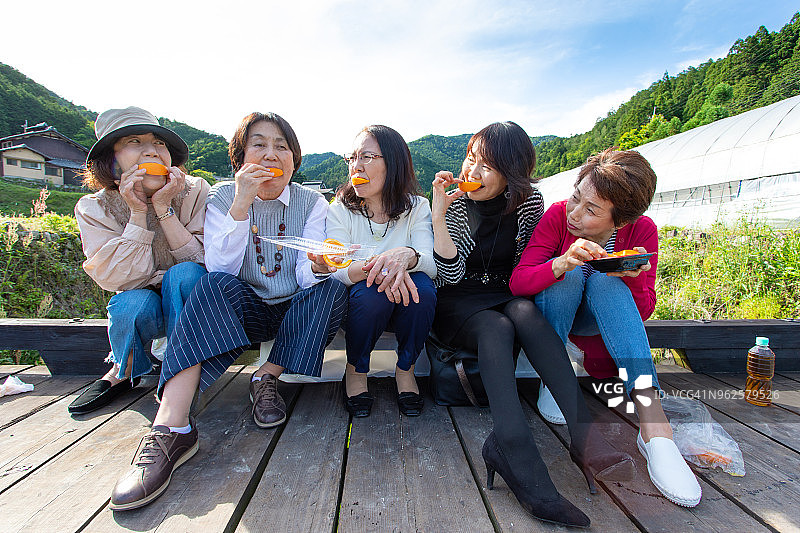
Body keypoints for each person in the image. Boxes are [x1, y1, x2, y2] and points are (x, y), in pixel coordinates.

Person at [109, 112, 348, 511]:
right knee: (210, 283)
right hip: (245, 305)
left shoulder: (311, 201)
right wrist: (242, 201)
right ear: (240, 158)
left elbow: (308, 275)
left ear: (294, 159)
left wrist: (321, 264)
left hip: (292, 307)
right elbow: (220, 267)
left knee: (331, 290)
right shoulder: (222, 196)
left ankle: (266, 379)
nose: (271, 154)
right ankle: (171, 426)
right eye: (259, 144)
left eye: (281, 146)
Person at [432, 122, 632, 529]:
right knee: (497, 328)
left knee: (523, 313)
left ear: (511, 173)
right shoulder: (451, 203)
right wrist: (440, 214)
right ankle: (513, 446)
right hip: (457, 301)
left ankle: (583, 434)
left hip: (507, 292)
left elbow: (527, 266)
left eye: (487, 165)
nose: (472, 171)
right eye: (471, 158)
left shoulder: (527, 202)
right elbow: (449, 275)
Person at [510, 147, 702, 508]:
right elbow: (519, 282)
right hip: (556, 321)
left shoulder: (641, 231)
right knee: (566, 274)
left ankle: (654, 426)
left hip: (599, 326)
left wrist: (631, 278)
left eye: (591, 210)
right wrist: (562, 262)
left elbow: (643, 310)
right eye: (575, 198)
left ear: (621, 221)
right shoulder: (556, 217)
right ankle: (557, 377)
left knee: (607, 283)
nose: (575, 214)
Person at [69, 107, 208, 415]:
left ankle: (180, 370)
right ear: (112, 158)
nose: (151, 152)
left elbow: (203, 261)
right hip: (141, 300)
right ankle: (124, 368)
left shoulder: (194, 190)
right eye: (134, 142)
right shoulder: (94, 208)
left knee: (186, 275)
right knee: (131, 303)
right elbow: (118, 278)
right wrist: (137, 214)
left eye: (159, 144)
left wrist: (163, 207)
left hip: (186, 299)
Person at [322, 125, 436, 417]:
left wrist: (407, 255)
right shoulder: (340, 210)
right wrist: (382, 266)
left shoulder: (417, 207)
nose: (356, 167)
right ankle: (356, 370)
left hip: (405, 301)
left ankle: (405, 369)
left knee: (422, 289)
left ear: (393, 162)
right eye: (352, 158)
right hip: (362, 306)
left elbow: (430, 264)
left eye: (367, 157)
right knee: (372, 296)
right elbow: (334, 270)